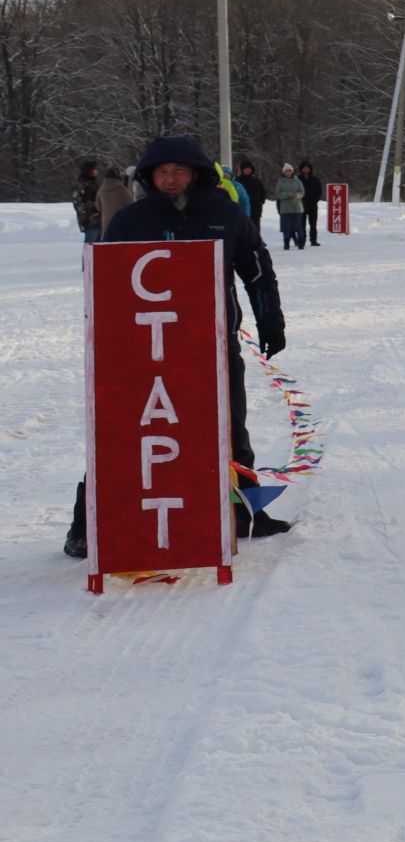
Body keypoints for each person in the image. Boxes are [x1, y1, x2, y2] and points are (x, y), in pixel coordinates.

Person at [67, 134, 290, 557]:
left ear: (196, 174)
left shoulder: (225, 214)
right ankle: (88, 522)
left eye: (179, 171)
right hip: (146, 351)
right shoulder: (130, 221)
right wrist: (105, 340)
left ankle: (244, 513)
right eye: (162, 172)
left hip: (215, 346)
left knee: (230, 429)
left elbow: (257, 270)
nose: (170, 179)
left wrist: (270, 320)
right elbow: (106, 285)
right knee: (132, 434)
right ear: (151, 177)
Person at [273, 163, 307, 250]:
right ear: (284, 172)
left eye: (290, 171)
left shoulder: (297, 181)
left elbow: (302, 192)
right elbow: (278, 194)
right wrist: (288, 194)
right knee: (286, 226)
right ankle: (286, 243)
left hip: (297, 207)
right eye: (286, 171)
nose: (288, 173)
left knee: (298, 226)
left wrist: (297, 195)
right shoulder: (281, 182)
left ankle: (301, 242)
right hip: (285, 208)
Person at [96, 166, 135, 233]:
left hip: (106, 225)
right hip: (121, 225)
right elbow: (131, 206)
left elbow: (98, 207)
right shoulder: (122, 190)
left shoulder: (100, 190)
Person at [72, 161, 101, 242]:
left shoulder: (92, 183)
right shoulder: (81, 185)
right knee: (90, 249)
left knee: (97, 249)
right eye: (94, 170)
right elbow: (79, 205)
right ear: (89, 171)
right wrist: (90, 217)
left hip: (97, 221)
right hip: (90, 223)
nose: (96, 172)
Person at [236, 160, 266, 234]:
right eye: (246, 168)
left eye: (249, 168)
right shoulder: (238, 181)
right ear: (242, 170)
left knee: (255, 227)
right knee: (244, 227)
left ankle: (257, 243)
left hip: (256, 209)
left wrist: (261, 201)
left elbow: (263, 192)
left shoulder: (256, 181)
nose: (248, 170)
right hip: (243, 208)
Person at [298, 161, 323, 246]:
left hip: (313, 205)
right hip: (301, 205)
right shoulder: (297, 179)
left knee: (313, 224)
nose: (306, 170)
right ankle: (302, 240)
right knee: (302, 225)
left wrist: (315, 200)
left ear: (310, 169)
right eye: (304, 168)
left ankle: (313, 240)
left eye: (307, 168)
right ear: (301, 169)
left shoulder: (315, 179)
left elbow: (319, 191)